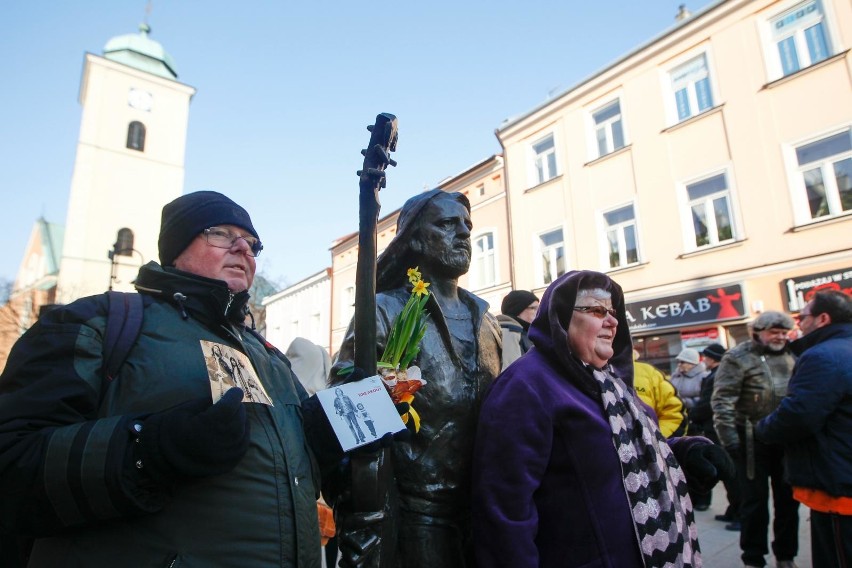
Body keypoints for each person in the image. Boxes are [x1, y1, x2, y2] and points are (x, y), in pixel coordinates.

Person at [0, 191, 323, 566]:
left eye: (252, 243)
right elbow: (12, 465)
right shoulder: (98, 324)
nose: (243, 249)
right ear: (177, 246)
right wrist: (150, 451)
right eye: (220, 233)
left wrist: (327, 444)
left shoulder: (271, 357)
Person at [472, 270, 734, 568]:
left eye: (613, 312)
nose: (612, 321)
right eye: (597, 310)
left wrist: (686, 451)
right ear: (560, 316)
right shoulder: (526, 386)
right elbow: (503, 510)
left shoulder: (610, 381)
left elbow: (628, 452)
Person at [330, 189, 501, 567]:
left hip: (483, 510)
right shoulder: (384, 310)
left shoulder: (487, 322)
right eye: (446, 224)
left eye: (467, 225)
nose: (463, 233)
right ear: (416, 239)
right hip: (414, 514)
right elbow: (345, 403)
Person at [756, 291, 852, 568]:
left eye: (802, 317)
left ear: (823, 319)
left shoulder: (823, 355)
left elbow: (799, 415)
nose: (799, 323)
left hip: (838, 485)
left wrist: (763, 429)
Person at [712, 311, 800, 568]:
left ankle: (786, 556)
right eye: (774, 332)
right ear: (757, 332)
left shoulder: (793, 355)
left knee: (788, 502)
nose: (780, 337)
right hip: (750, 441)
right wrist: (731, 442)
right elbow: (722, 401)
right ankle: (753, 557)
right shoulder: (738, 357)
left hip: (785, 440)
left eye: (784, 333)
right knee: (754, 503)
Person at [691, 343, 742, 528]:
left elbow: (709, 404)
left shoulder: (718, 375)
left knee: (730, 473)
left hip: (719, 429)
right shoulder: (718, 374)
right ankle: (734, 510)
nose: (703, 360)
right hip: (718, 428)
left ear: (712, 358)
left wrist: (692, 415)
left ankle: (740, 515)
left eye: (706, 356)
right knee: (727, 473)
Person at [632, 349, 687, 437]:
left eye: (683, 362)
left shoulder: (648, 373)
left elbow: (673, 414)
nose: (680, 364)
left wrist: (657, 440)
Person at [497, 290, 539, 370]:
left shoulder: (526, 332)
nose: (538, 312)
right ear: (517, 310)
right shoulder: (509, 332)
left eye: (538, 308)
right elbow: (510, 372)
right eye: (533, 308)